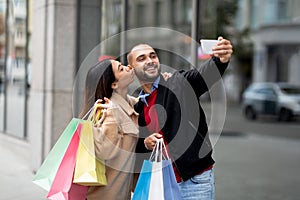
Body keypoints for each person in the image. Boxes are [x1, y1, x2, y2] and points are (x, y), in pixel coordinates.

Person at [127, 36, 233, 200]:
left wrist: (220, 60)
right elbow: (137, 146)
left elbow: (203, 76)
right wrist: (145, 142)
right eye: (141, 58)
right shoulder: (138, 106)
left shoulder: (178, 82)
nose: (150, 60)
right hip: (162, 184)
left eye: (153, 56)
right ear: (131, 68)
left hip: (195, 181)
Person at [80, 58, 139, 200]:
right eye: (121, 68)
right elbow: (105, 151)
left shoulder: (129, 103)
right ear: (114, 84)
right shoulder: (110, 111)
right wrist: (112, 116)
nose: (127, 67)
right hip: (105, 196)